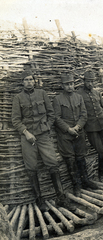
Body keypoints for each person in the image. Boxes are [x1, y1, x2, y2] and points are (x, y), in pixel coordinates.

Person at [12, 69, 73, 212]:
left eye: (30, 79)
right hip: (28, 138)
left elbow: (51, 115)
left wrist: (46, 127)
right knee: (31, 167)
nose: (29, 82)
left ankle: (61, 198)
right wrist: (26, 133)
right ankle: (40, 201)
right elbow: (15, 120)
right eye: (26, 80)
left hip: (43, 135)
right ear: (22, 82)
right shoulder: (18, 98)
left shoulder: (42, 94)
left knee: (53, 163)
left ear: (34, 81)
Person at [53, 72, 98, 197]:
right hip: (65, 136)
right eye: (67, 84)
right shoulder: (57, 99)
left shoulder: (79, 97)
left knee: (81, 158)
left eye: (71, 84)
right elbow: (56, 118)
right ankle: (76, 185)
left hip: (78, 133)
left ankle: (85, 181)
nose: (70, 86)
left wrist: (78, 127)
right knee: (70, 161)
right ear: (62, 86)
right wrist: (68, 129)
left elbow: (84, 114)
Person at [78, 70, 103, 183]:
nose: (90, 84)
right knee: (101, 150)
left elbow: (102, 107)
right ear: (83, 81)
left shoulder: (97, 93)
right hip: (90, 127)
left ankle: (101, 174)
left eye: (92, 81)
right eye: (88, 81)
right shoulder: (79, 94)